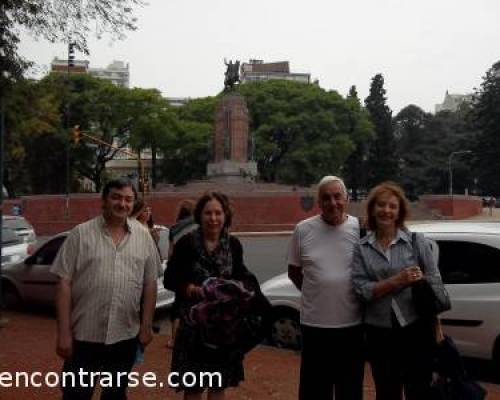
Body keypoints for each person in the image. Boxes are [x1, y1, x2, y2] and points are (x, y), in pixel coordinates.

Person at [51, 178, 162, 400]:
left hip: (125, 336)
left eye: (128, 199)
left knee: (115, 394)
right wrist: (63, 332)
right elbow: (63, 283)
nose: (122, 204)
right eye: (116, 197)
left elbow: (150, 283)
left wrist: (147, 326)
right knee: (76, 394)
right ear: (103, 201)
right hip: (84, 336)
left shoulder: (143, 236)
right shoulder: (80, 234)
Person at [163, 191, 269, 400]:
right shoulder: (187, 243)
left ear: (225, 215)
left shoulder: (233, 245)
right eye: (208, 213)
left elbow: (242, 276)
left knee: (218, 385)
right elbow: (170, 279)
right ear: (199, 216)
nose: (213, 219)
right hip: (194, 326)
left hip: (224, 327)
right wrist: (190, 289)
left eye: (218, 213)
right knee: (193, 387)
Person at [351, 182, 444, 400]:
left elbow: (435, 284)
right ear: (372, 208)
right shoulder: (362, 248)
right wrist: (397, 281)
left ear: (400, 211)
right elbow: (361, 290)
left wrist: (437, 326)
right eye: (381, 205)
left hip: (415, 327)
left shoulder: (416, 241)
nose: (386, 210)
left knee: (419, 389)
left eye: (392, 206)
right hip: (379, 331)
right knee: (386, 390)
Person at [287, 175, 365, 400]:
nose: (333, 203)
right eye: (326, 198)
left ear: (347, 198)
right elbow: (294, 272)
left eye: (337, 196)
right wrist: (318, 292)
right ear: (319, 203)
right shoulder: (302, 230)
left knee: (349, 390)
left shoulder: (359, 229)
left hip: (351, 326)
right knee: (314, 390)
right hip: (315, 326)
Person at [167, 199, 197, 348]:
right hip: (196, 270)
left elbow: (171, 253)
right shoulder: (199, 224)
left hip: (181, 270)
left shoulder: (174, 229)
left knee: (178, 306)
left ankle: (174, 339)